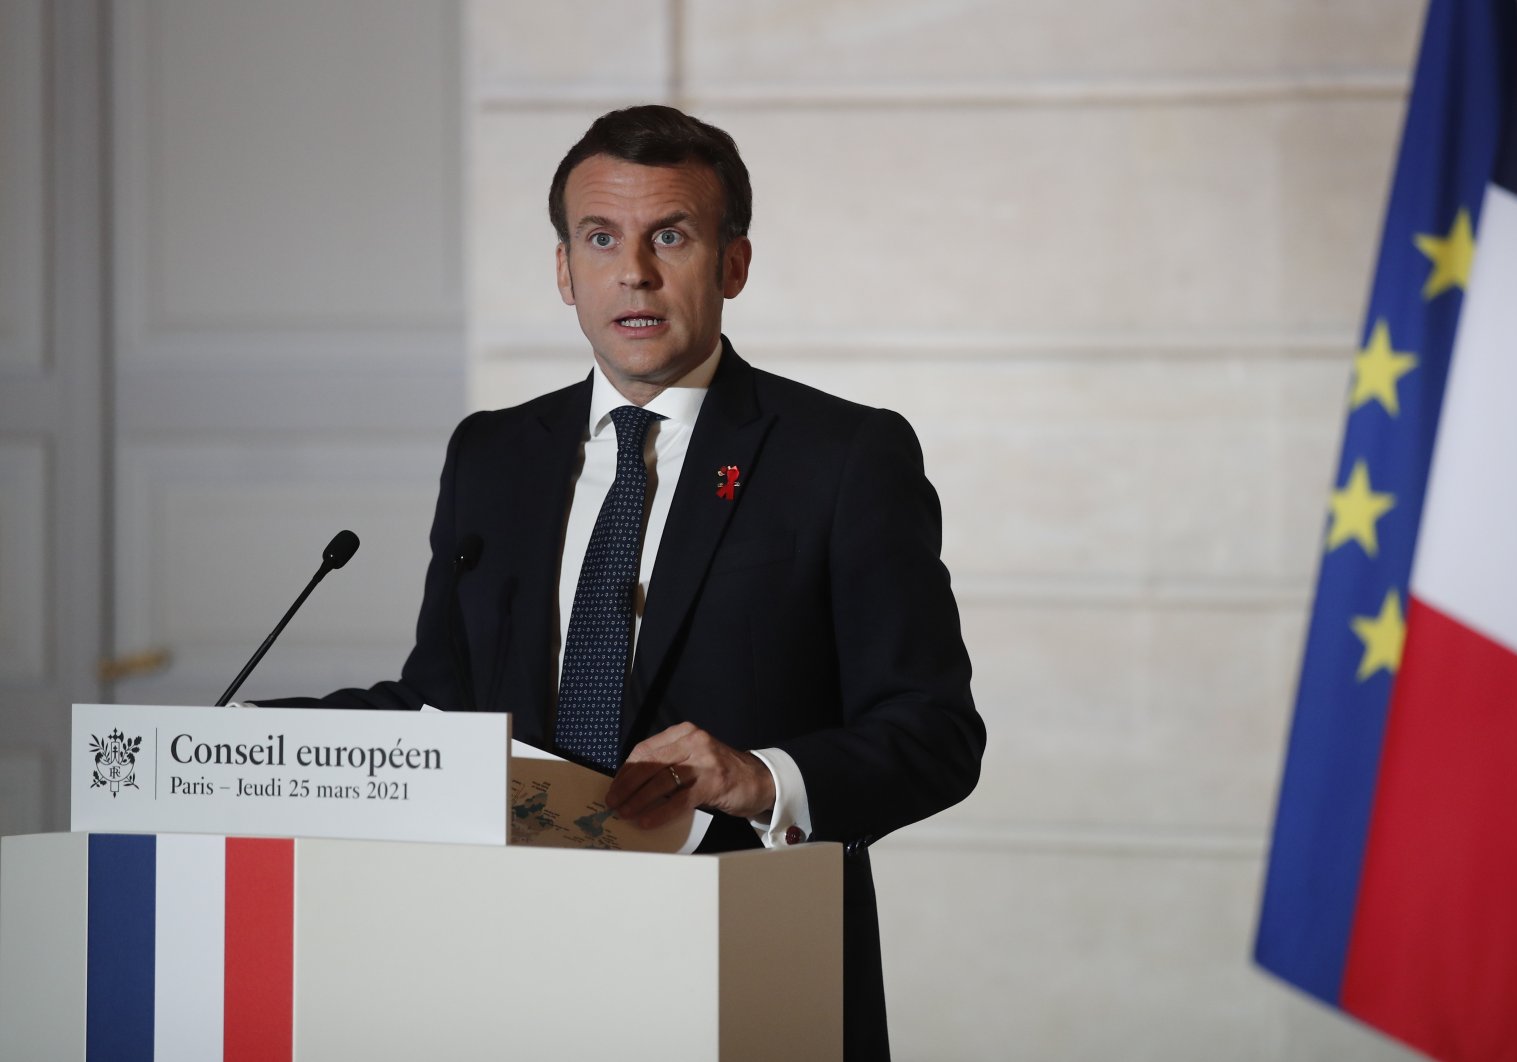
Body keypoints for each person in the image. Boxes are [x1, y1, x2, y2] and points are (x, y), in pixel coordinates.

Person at [269, 105, 984, 1060]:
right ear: (565, 270)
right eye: (600, 238)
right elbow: (447, 704)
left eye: (672, 236)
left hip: (749, 966)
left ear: (732, 264)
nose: (634, 272)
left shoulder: (845, 456)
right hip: (509, 963)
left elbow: (934, 734)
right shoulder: (493, 453)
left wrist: (758, 777)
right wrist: (246, 744)